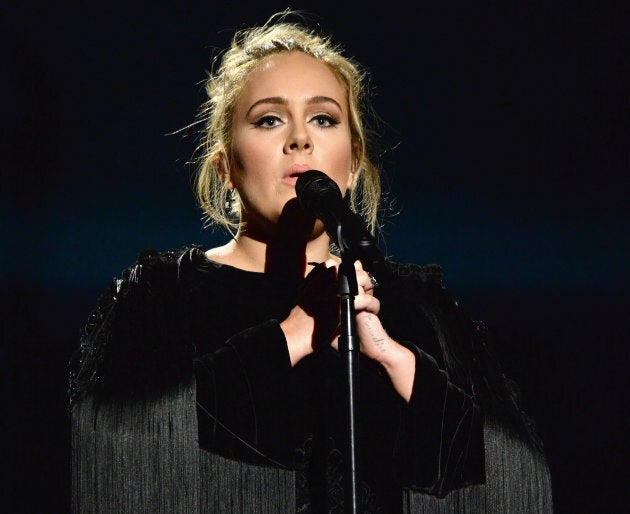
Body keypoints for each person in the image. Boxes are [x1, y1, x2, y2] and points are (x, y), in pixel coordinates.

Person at [68, 10, 553, 513]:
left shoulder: (415, 305)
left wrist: (396, 360)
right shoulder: (161, 293)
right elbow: (117, 446)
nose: (300, 139)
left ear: (353, 164)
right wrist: (293, 336)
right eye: (269, 119)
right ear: (226, 166)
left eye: (323, 118)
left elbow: (519, 473)